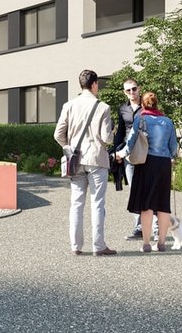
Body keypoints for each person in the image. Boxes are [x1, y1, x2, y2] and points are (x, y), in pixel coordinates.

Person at [53, 69, 117, 256]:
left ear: (81, 85)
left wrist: (68, 148)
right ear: (95, 84)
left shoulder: (69, 105)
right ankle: (98, 246)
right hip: (96, 159)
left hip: (76, 160)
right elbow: (107, 139)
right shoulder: (103, 107)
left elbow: (58, 134)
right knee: (97, 203)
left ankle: (76, 246)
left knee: (76, 203)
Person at [116, 89, 179, 252]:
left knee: (147, 204)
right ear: (157, 103)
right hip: (163, 164)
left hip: (146, 163)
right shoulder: (168, 121)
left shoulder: (140, 119)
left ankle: (146, 243)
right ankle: (162, 243)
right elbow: (173, 148)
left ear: (143, 104)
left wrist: (120, 155)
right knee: (163, 205)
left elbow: (130, 143)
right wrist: (170, 157)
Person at [112, 79, 153, 241]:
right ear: (124, 92)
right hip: (129, 155)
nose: (131, 93)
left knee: (149, 189)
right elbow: (120, 131)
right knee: (134, 191)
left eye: (134, 89)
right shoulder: (123, 109)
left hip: (147, 152)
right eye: (128, 90)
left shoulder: (146, 105)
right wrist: (117, 152)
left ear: (139, 89)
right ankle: (138, 228)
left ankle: (153, 228)